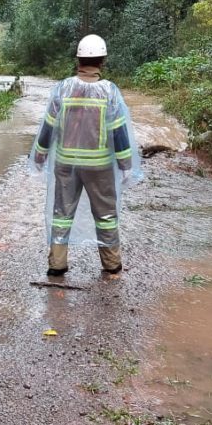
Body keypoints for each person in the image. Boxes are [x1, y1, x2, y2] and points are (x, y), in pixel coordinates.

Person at [30, 34, 141, 276]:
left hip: (65, 164)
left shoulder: (62, 89)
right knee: (106, 215)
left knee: (61, 214)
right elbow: (119, 131)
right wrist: (126, 165)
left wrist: (39, 156)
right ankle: (111, 263)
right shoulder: (109, 92)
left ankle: (57, 264)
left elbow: (48, 126)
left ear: (78, 59)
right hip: (99, 167)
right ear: (103, 61)